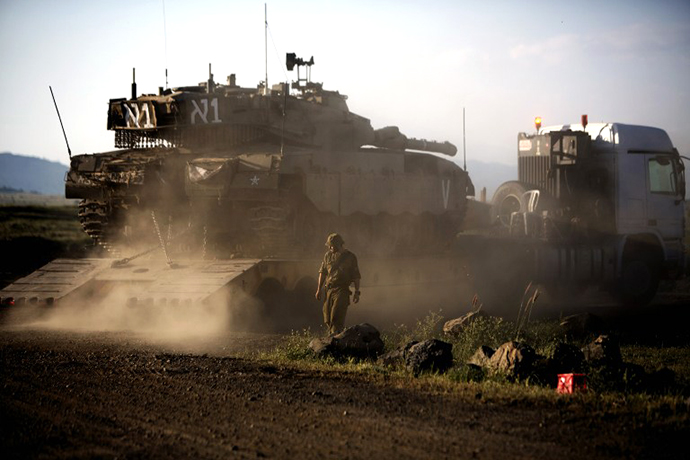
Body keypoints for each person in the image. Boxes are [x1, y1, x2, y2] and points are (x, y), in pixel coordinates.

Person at [315, 233, 361, 335]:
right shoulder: (328, 256)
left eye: (331, 245)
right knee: (327, 318)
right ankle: (332, 337)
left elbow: (356, 276)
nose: (330, 247)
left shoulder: (350, 257)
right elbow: (322, 273)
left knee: (336, 317)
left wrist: (357, 292)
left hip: (342, 290)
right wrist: (319, 289)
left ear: (338, 245)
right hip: (329, 290)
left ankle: (336, 339)